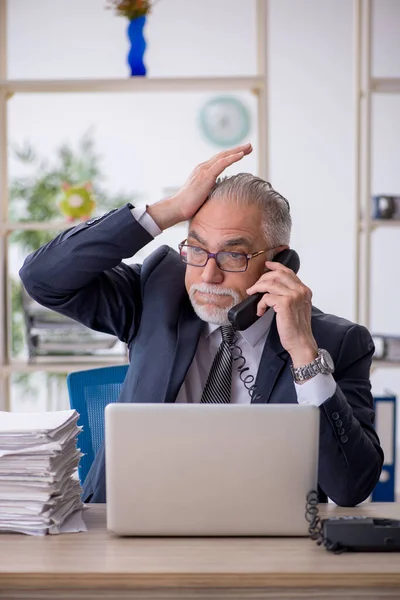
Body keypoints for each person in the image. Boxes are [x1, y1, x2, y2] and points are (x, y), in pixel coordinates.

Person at [20, 143, 383, 506]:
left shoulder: (337, 343)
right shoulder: (157, 293)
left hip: (262, 542)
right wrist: (166, 212)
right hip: (131, 525)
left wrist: (304, 355)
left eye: (232, 255)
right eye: (196, 249)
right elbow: (42, 277)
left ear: (280, 261)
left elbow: (351, 487)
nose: (208, 274)